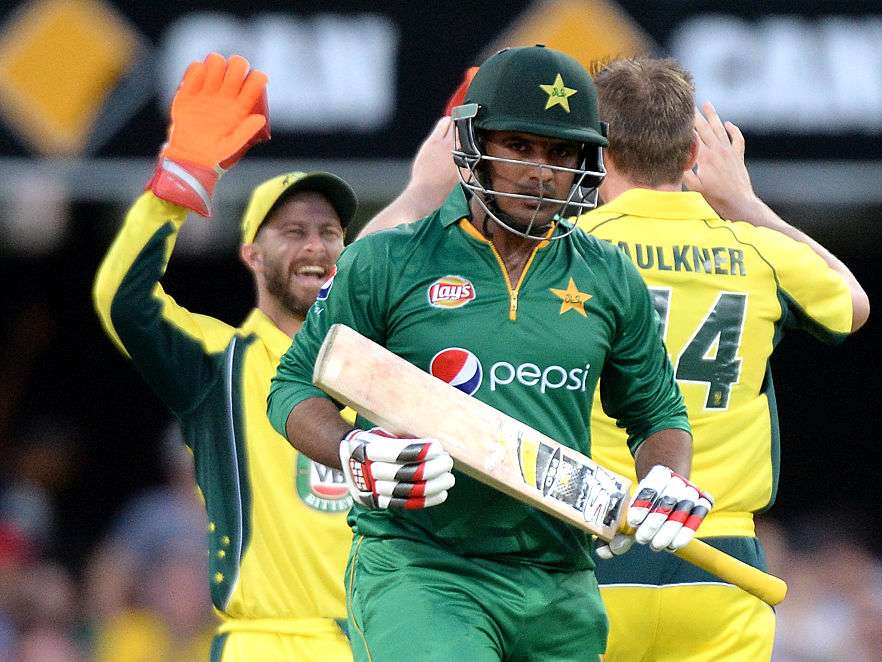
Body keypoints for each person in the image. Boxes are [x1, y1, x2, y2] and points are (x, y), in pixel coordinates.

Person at [267, 45, 713, 662]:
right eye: (519, 146)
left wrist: (666, 478)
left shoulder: (610, 276)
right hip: (424, 569)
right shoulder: (389, 262)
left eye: (561, 153)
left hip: (561, 581)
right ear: (474, 142)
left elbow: (659, 414)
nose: (541, 171)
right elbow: (292, 387)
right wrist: (351, 448)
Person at [579, 57, 870, 661]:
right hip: (720, 559)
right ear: (693, 154)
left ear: (596, 152)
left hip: (590, 545)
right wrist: (747, 203)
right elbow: (853, 303)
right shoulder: (756, 249)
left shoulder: (568, 249)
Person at [93, 52, 362, 661]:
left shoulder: (382, 364)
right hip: (266, 643)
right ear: (250, 255)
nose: (315, 246)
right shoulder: (220, 362)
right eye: (293, 232)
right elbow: (124, 300)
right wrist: (182, 176)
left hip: (379, 641)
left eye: (329, 233)